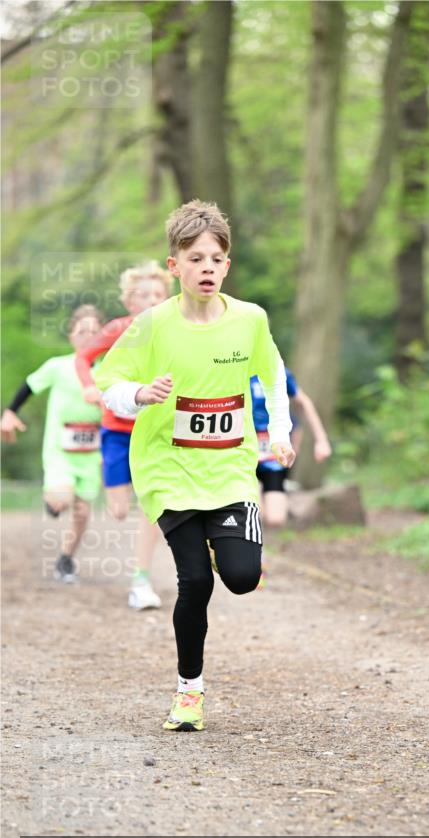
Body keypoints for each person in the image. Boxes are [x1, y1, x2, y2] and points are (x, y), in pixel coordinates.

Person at [93, 199, 294, 733]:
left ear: (227, 265)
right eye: (195, 258)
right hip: (168, 468)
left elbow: (273, 376)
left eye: (216, 258)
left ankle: (233, 549)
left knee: (243, 578)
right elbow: (108, 387)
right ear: (173, 266)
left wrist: (281, 431)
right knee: (195, 584)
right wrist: (139, 392)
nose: (206, 267)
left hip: (229, 469)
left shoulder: (250, 319)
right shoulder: (152, 324)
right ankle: (189, 692)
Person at [75, 262, 173, 610]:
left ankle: (141, 580)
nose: (151, 301)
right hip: (117, 431)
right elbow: (84, 357)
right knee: (118, 510)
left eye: (158, 295)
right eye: (143, 295)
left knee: (152, 506)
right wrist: (89, 387)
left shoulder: (173, 329)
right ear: (130, 301)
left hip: (154, 431)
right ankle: (112, 473)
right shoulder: (118, 329)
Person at [1, 305, 104, 583]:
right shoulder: (58, 366)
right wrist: (10, 413)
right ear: (71, 335)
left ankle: (66, 559)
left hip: (92, 454)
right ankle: (56, 501)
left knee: (82, 514)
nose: (88, 337)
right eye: (82, 331)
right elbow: (29, 386)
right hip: (60, 451)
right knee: (63, 497)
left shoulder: (108, 371)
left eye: (95, 332)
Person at [251, 368, 332, 529]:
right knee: (254, 514)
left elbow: (304, 403)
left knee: (275, 519)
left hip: (273, 453)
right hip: (245, 451)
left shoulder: (278, 370)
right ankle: (253, 550)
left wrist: (321, 440)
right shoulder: (236, 368)